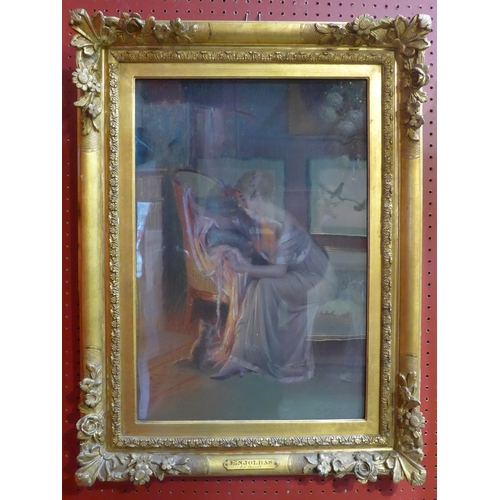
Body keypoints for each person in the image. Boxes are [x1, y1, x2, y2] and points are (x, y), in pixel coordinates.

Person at [210, 170, 337, 382]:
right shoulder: (262, 220)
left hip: (318, 280)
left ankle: (263, 358)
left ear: (258, 196)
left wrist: (243, 268)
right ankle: (239, 358)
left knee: (265, 286)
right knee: (254, 287)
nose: (241, 203)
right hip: (299, 276)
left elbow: (279, 271)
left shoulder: (284, 222)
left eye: (244, 198)